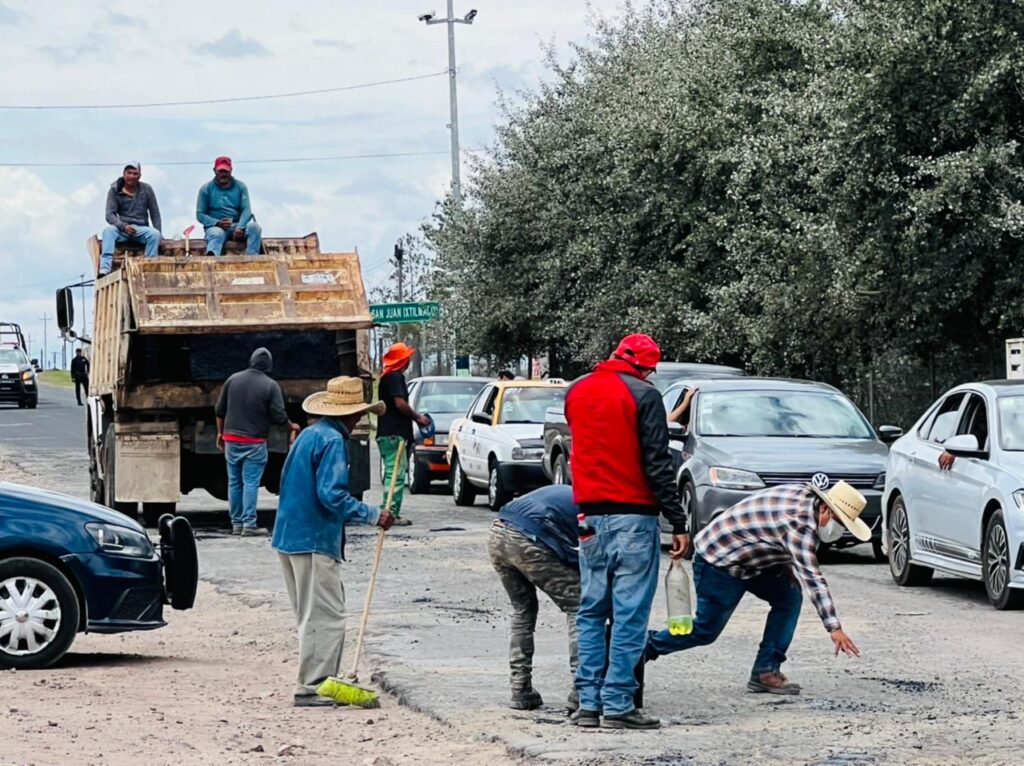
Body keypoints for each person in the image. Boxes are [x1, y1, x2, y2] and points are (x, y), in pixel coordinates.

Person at [565, 334, 689, 730]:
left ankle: (588, 704)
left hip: (588, 518)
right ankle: (618, 703)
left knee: (591, 611)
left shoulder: (577, 391)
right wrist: (678, 521)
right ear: (647, 367)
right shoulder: (644, 395)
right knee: (629, 614)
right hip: (633, 516)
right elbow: (657, 463)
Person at [643, 481, 866, 695]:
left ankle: (766, 670)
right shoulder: (800, 525)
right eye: (839, 522)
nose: (838, 530)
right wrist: (834, 628)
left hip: (752, 558)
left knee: (789, 598)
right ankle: (642, 647)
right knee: (705, 630)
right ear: (825, 508)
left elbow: (769, 529)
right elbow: (813, 580)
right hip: (719, 561)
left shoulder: (805, 498)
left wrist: (784, 565)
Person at [272, 376, 396, 707]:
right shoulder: (332, 441)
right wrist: (373, 515)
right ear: (353, 414)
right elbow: (331, 495)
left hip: (289, 536)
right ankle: (313, 686)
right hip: (314, 538)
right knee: (325, 616)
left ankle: (318, 680)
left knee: (310, 614)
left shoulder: (309, 434)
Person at [489, 485, 581, 712]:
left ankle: (520, 687)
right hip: (529, 537)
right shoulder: (593, 509)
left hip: (498, 533)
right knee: (579, 607)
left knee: (522, 610)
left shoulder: (566, 495)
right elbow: (581, 554)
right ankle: (582, 691)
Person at [215, 348, 300, 536]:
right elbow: (279, 415)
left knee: (234, 482)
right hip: (254, 442)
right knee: (250, 483)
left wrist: (220, 434)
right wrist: (291, 426)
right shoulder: (270, 385)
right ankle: (249, 525)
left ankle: (236, 524)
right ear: (269, 366)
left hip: (231, 440)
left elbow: (220, 410)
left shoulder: (232, 380)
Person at [376, 342, 429, 526]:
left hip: (387, 433)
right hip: (394, 433)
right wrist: (418, 417)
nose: (409, 361)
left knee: (392, 473)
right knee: (396, 475)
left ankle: (387, 510)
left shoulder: (386, 377)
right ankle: (390, 513)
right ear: (403, 361)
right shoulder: (395, 377)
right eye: (407, 358)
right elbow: (400, 404)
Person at [99, 162, 162, 277]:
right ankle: (105, 268)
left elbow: (155, 213)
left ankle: (148, 267)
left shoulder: (146, 189)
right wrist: (123, 226)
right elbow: (109, 215)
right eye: (129, 173)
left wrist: (159, 234)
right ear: (124, 174)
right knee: (108, 231)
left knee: (155, 234)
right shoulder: (114, 190)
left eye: (135, 173)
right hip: (122, 229)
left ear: (139, 176)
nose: (132, 176)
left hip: (141, 229)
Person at [196, 156, 262, 256]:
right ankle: (212, 259)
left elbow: (246, 210)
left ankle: (252, 258)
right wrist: (217, 222)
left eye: (226, 171)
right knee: (216, 235)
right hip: (215, 227)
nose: (223, 174)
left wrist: (240, 227)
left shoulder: (241, 187)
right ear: (214, 171)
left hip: (236, 225)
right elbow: (200, 214)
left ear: (231, 170)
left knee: (255, 228)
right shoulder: (206, 189)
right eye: (220, 171)